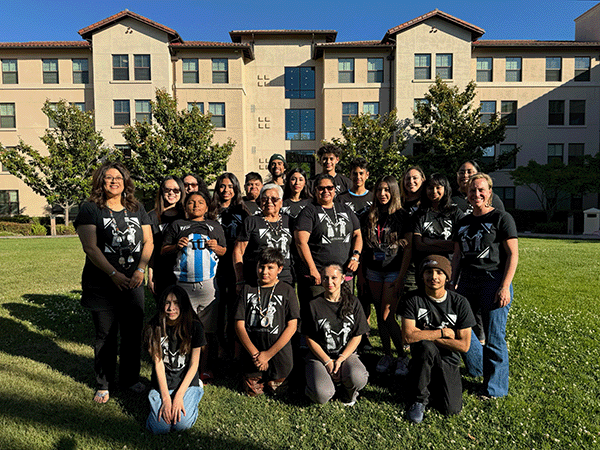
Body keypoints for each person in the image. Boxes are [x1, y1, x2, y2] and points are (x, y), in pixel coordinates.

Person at [74, 161, 153, 404]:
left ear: (125, 181)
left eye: (118, 177)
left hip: (133, 282)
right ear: (101, 181)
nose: (114, 181)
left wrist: (141, 269)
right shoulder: (90, 209)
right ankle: (104, 383)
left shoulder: (136, 207)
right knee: (105, 335)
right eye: (108, 177)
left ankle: (130, 379)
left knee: (131, 333)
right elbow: (90, 246)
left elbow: (148, 242)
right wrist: (112, 274)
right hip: (102, 284)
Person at [452, 173, 518, 399]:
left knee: (494, 336)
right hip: (467, 281)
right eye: (472, 190)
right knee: (459, 325)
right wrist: (453, 282)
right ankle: (478, 366)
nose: (476, 194)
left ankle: (495, 389)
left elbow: (513, 255)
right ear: (467, 194)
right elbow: (458, 255)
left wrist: (504, 286)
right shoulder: (463, 222)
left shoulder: (501, 218)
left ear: (490, 192)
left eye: (481, 190)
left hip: (493, 280)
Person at [402, 255, 475, 423]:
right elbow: (407, 337)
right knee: (426, 346)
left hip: (448, 358)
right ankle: (419, 399)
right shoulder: (413, 300)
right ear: (422, 275)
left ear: (447, 276)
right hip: (424, 354)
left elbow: (464, 345)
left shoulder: (460, 302)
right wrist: (441, 333)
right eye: (428, 272)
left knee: (451, 409)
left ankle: (429, 381)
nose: (433, 277)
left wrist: (423, 333)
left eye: (439, 272)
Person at [162, 191, 227, 382]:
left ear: (207, 207)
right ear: (185, 206)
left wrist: (217, 247)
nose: (196, 206)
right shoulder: (177, 225)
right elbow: (163, 250)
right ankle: (181, 367)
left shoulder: (214, 226)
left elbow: (224, 251)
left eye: (200, 202)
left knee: (207, 331)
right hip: (183, 286)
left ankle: (204, 368)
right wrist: (175, 246)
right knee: (183, 328)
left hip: (208, 285)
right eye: (191, 203)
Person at [362, 176, 412, 376]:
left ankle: (402, 356)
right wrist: (363, 274)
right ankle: (386, 354)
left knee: (387, 314)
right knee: (379, 316)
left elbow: (408, 250)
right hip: (373, 271)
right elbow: (364, 248)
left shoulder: (403, 216)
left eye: (387, 190)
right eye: (379, 190)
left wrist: (401, 276)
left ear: (393, 192)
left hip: (393, 271)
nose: (382, 194)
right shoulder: (369, 215)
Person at [234, 248, 300, 396]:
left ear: (280, 269)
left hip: (278, 351)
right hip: (253, 351)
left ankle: (276, 376)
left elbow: (292, 325)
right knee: (253, 392)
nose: (264, 271)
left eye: (270, 267)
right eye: (261, 266)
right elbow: (239, 324)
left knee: (278, 391)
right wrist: (255, 354)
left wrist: (268, 355)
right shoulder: (248, 289)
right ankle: (253, 374)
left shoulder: (287, 290)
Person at [303, 263, 369, 405]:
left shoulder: (353, 302)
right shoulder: (313, 304)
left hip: (346, 354)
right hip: (320, 356)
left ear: (343, 278)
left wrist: (340, 359)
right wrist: (327, 362)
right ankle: (313, 385)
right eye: (325, 278)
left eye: (334, 277)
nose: (330, 282)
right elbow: (309, 338)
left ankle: (349, 392)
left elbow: (358, 335)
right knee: (321, 394)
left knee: (358, 377)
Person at [145, 285, 205, 434]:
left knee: (181, 425)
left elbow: (194, 365)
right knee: (160, 428)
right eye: (167, 302)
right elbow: (158, 364)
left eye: (176, 303)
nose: (171, 308)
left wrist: (178, 397)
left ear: (183, 305)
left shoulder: (195, 327)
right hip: (163, 384)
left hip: (187, 383)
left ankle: (196, 393)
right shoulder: (153, 327)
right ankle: (157, 401)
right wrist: (166, 399)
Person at [295, 174, 362, 302]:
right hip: (319, 278)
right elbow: (301, 242)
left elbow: (357, 234)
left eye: (329, 188)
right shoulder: (309, 212)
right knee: (317, 317)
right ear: (315, 191)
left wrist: (355, 256)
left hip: (343, 276)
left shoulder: (345, 209)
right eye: (321, 188)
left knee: (344, 313)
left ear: (335, 189)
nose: (326, 191)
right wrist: (312, 269)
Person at [210, 173, 249, 355]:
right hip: (214, 266)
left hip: (234, 266)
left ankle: (235, 350)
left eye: (230, 186)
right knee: (216, 308)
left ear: (236, 189)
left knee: (235, 308)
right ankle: (217, 349)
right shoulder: (210, 211)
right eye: (222, 186)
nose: (226, 190)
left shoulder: (243, 211)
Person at [233, 183, 294, 288]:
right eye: (265, 199)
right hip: (257, 276)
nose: (269, 202)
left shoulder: (290, 221)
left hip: (284, 277)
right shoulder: (252, 221)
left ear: (281, 202)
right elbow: (238, 251)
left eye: (274, 199)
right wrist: (240, 279)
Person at [412, 174, 464, 267]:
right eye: (430, 188)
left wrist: (431, 242)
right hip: (425, 267)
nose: (434, 191)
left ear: (445, 189)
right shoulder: (419, 214)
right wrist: (448, 245)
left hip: (450, 267)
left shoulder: (455, 212)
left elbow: (459, 245)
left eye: (438, 187)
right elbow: (419, 246)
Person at [148, 176, 186, 298]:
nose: (171, 193)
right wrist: (150, 275)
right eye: (167, 189)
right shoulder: (152, 216)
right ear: (161, 191)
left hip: (183, 270)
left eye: (176, 190)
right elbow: (150, 248)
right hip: (161, 271)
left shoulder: (186, 216)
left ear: (181, 192)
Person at [337, 157, 374, 223]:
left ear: (367, 175)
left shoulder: (373, 198)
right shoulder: (341, 199)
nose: (358, 177)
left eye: (361, 173)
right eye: (355, 174)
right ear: (350, 175)